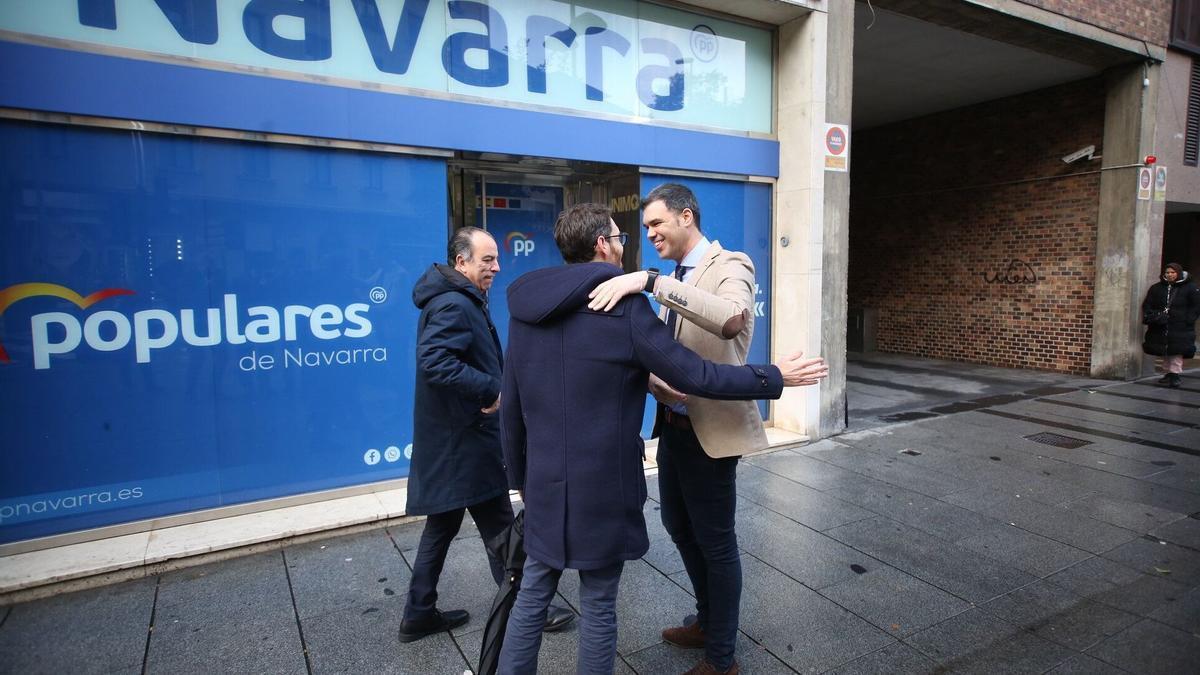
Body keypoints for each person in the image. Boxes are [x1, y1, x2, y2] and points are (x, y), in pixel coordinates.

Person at [497, 204, 826, 674]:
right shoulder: (624, 306)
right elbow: (698, 375)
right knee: (598, 604)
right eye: (623, 237)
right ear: (602, 245)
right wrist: (774, 377)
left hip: (545, 481)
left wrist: (520, 477)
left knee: (532, 593)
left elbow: (512, 407)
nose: (629, 243)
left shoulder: (525, 307)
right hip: (605, 486)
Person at [587, 182, 774, 675]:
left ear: (686, 216)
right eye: (645, 227)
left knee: (716, 541)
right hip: (672, 425)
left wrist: (648, 281)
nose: (649, 234)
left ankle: (722, 657)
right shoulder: (677, 274)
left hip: (711, 432)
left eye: (655, 224)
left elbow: (730, 319)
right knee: (678, 525)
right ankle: (709, 621)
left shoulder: (731, 265)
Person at [399, 227, 573, 643]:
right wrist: (491, 388)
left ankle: (418, 612)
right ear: (461, 262)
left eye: (495, 259)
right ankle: (526, 607)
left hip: (454, 441)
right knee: (499, 525)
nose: (496, 267)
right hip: (466, 442)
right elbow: (435, 362)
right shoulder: (454, 305)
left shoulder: (457, 299)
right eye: (486, 260)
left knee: (442, 527)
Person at [1142, 262, 1200, 388]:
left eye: (1173, 273)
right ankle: (1168, 372)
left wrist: (1188, 319)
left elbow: (1196, 305)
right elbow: (1148, 304)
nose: (1170, 275)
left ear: (1178, 273)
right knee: (1165, 348)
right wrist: (1152, 315)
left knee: (1177, 349)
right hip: (1161, 324)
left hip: (1180, 325)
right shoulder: (1157, 288)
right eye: (1167, 272)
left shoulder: (1190, 288)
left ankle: (1175, 374)